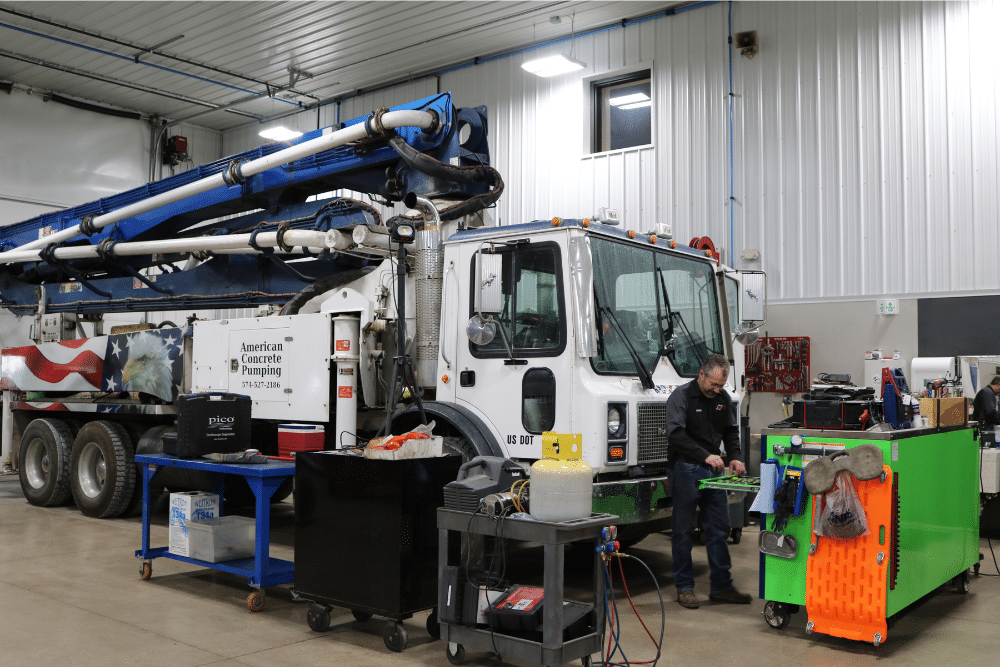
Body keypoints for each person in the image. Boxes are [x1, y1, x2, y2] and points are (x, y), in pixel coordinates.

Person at [665, 353, 751, 609]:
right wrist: (705, 456)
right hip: (685, 469)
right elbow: (676, 435)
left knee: (719, 528)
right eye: (713, 384)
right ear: (701, 374)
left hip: (714, 472)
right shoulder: (681, 397)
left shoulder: (722, 399)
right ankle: (684, 587)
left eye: (721, 386)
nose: (716, 390)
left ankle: (722, 586)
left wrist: (735, 458)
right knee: (682, 531)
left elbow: (730, 432)